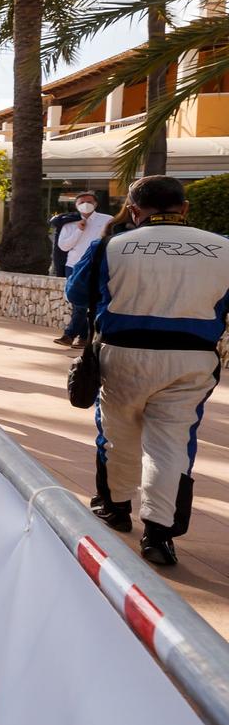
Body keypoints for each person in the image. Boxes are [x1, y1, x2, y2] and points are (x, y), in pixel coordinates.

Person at [65, 175, 229, 566]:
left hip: (123, 356)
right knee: (172, 444)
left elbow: (76, 293)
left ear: (134, 211)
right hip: (192, 360)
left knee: (118, 436)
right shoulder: (224, 248)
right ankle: (159, 534)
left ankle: (116, 508)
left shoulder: (112, 245)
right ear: (184, 208)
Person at [53, 191, 113, 347]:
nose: (85, 204)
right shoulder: (68, 223)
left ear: (95, 204)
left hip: (97, 266)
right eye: (81, 202)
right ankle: (83, 337)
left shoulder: (107, 220)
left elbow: (111, 241)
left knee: (85, 303)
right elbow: (63, 246)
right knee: (77, 301)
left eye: (89, 201)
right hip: (73, 266)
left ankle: (70, 335)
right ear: (76, 205)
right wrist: (79, 230)